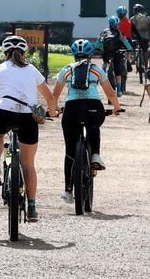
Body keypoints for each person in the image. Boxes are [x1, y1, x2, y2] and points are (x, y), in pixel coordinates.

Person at [0, 35, 57, 222]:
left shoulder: (0, 68)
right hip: (27, 117)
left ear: (5, 52)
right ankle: (32, 207)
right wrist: (52, 113)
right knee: (28, 164)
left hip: (3, 112)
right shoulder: (32, 70)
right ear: (24, 53)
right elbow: (50, 98)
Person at [51, 39, 122, 203]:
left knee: (69, 150)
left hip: (71, 109)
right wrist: (116, 107)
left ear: (73, 55)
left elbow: (55, 95)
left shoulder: (66, 70)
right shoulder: (96, 70)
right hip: (93, 106)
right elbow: (111, 93)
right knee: (93, 126)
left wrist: (53, 110)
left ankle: (68, 190)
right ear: (90, 55)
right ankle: (95, 155)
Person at [96, 15, 132, 98]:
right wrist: (130, 49)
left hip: (106, 53)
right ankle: (119, 91)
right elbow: (125, 41)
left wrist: (96, 48)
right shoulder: (119, 32)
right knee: (118, 72)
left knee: (105, 62)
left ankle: (102, 74)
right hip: (116, 53)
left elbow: (98, 41)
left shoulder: (104, 31)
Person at [131, 4, 150, 70]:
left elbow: (129, 28)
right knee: (145, 50)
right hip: (145, 38)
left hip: (135, 38)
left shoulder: (132, 18)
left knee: (132, 46)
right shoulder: (148, 18)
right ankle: (146, 66)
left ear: (135, 11)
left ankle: (134, 57)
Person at [116, 5, 139, 73]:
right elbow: (135, 30)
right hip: (126, 39)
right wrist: (139, 37)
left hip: (121, 40)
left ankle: (125, 61)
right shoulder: (128, 21)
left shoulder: (119, 22)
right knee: (128, 50)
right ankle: (127, 61)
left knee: (124, 51)